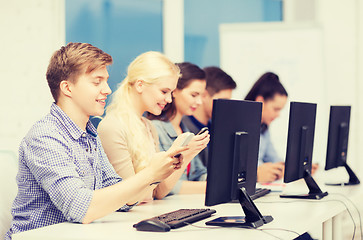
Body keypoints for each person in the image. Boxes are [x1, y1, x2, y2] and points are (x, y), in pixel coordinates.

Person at [4, 43, 187, 240]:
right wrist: (149, 173)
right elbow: (82, 209)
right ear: (67, 88)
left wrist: (157, 173)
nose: (107, 89)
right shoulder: (45, 137)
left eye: (106, 81)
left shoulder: (89, 135)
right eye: (96, 82)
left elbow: (123, 198)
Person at [97, 53, 209, 201]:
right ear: (140, 85)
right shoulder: (112, 127)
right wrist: (167, 160)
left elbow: (158, 192)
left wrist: (185, 155)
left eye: (171, 93)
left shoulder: (148, 127)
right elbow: (129, 199)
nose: (169, 99)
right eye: (164, 91)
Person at [147, 62, 209, 194]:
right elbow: (163, 187)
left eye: (201, 96)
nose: (199, 102)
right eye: (194, 95)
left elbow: (199, 174)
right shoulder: (155, 129)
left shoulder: (186, 130)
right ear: (174, 91)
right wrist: (212, 187)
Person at [182, 66, 237, 167]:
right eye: (223, 101)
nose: (227, 107)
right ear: (204, 95)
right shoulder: (184, 128)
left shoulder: (216, 128)